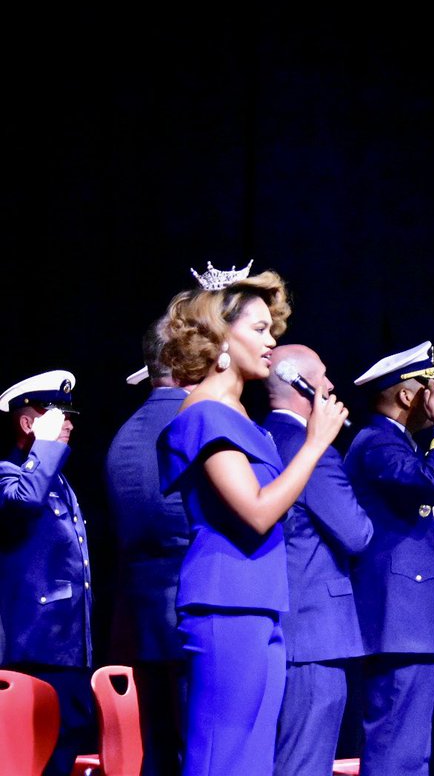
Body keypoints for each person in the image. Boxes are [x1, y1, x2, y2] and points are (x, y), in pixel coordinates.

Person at [157, 264, 348, 776]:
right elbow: (258, 511)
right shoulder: (203, 414)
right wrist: (314, 444)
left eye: (272, 329)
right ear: (220, 335)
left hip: (260, 601)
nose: (271, 342)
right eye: (259, 330)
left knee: (253, 761)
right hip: (225, 602)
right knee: (223, 756)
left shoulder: (241, 419)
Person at [346, 341, 434, 776]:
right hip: (399, 621)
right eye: (429, 389)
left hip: (411, 621)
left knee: (410, 750)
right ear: (407, 395)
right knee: (396, 747)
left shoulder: (396, 444)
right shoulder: (378, 443)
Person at [261, 344, 374, 776]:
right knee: (304, 762)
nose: (329, 386)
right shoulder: (311, 449)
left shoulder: (260, 435)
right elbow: (356, 532)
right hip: (312, 635)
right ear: (299, 384)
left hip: (280, 629)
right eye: (322, 377)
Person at [106, 319, 194, 776]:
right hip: (191, 610)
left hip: (140, 621)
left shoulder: (124, 434)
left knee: (159, 750)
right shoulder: (194, 423)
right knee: (196, 749)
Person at [0, 369, 95, 776]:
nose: (69, 423)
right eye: (57, 414)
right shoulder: (10, 472)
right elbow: (23, 502)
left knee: (66, 750)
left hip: (70, 645)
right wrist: (45, 447)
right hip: (33, 646)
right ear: (28, 422)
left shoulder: (56, 477)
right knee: (34, 757)